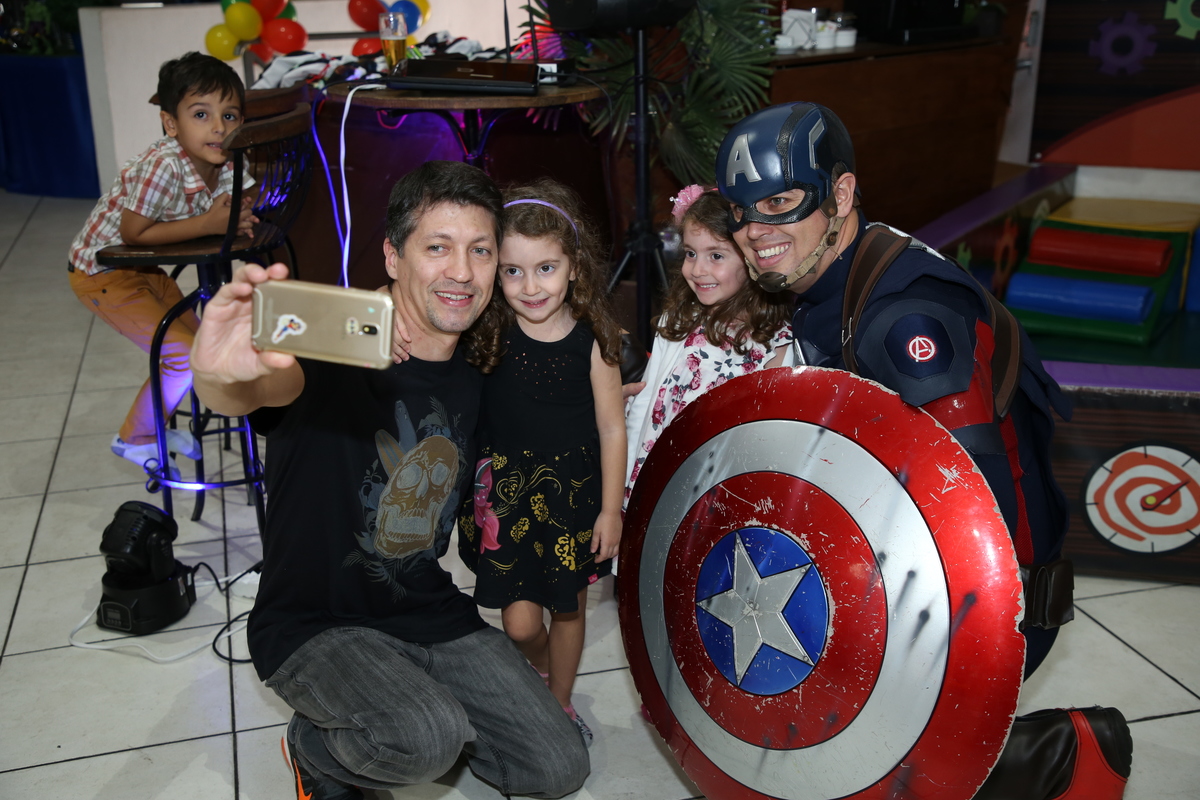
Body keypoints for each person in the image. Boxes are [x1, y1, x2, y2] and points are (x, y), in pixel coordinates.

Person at [715, 101, 1132, 800]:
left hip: (993, 599)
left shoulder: (903, 314)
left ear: (841, 195)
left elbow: (977, 513)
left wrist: (904, 642)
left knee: (845, 761)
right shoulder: (838, 277)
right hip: (904, 559)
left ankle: (1063, 755)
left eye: (781, 203)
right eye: (740, 211)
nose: (755, 231)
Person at [191, 161, 590, 800]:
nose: (462, 271)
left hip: (425, 609)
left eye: (480, 250)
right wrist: (218, 374)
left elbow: (559, 378)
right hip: (315, 624)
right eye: (437, 248)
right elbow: (261, 387)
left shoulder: (481, 366)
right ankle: (317, 747)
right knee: (424, 740)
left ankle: (402, 705)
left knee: (558, 767)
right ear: (392, 257)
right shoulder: (333, 349)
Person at [452, 180, 625, 746]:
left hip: (570, 499)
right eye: (513, 271)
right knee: (521, 623)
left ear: (573, 267)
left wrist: (611, 511)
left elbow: (611, 428)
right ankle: (544, 668)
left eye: (546, 268)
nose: (530, 287)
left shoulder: (594, 340)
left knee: (568, 609)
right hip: (506, 498)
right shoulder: (488, 329)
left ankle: (559, 704)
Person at [68, 51, 257, 476]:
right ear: (171, 124)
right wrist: (207, 222)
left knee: (201, 348)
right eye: (201, 114)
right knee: (184, 358)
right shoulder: (162, 165)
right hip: (102, 273)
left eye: (229, 116)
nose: (218, 127)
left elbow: (248, 196)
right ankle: (133, 438)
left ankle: (154, 426)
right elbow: (134, 233)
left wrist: (243, 213)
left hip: (147, 270)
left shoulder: (227, 160)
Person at [624, 186, 793, 505]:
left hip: (718, 497)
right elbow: (645, 405)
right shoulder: (678, 321)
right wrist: (625, 487)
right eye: (690, 253)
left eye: (715, 255)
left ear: (750, 256)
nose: (697, 270)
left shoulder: (776, 345)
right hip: (653, 485)